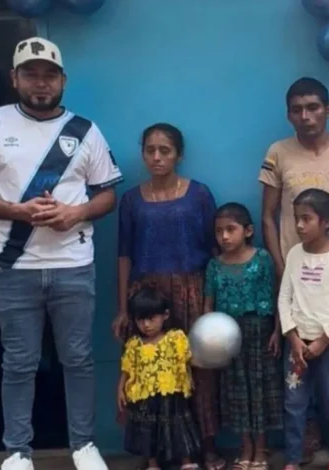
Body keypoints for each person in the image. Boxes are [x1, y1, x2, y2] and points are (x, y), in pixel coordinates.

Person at [0, 37, 121, 470]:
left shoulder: (85, 130)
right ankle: (17, 451)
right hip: (15, 267)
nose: (41, 83)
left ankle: (84, 446)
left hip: (74, 265)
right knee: (19, 363)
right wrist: (17, 210)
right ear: (15, 78)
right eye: (31, 74)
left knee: (78, 360)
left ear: (63, 80)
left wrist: (75, 213)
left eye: (49, 75)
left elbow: (107, 195)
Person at [259, 77, 329, 465]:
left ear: (328, 110)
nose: (305, 116)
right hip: (297, 278)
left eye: (312, 107)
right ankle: (305, 435)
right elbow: (268, 216)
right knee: (299, 360)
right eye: (297, 109)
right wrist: (280, 265)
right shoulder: (278, 153)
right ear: (289, 114)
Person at [111, 123, 224, 470]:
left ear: (179, 155)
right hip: (146, 298)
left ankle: (205, 448)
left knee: (197, 371)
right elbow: (124, 255)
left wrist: (213, 301)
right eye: (150, 150)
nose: (157, 157)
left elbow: (214, 249)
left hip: (192, 291)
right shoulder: (131, 200)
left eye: (165, 150)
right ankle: (156, 453)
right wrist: (123, 309)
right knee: (149, 374)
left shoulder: (199, 195)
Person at [279, 189, 329, 470]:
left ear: (326, 222)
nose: (299, 225)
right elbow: (284, 298)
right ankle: (292, 459)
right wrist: (293, 337)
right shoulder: (294, 254)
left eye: (306, 219)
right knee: (294, 404)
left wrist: (324, 340)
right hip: (297, 346)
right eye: (296, 218)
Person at [203, 203, 283, 470]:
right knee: (236, 391)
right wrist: (210, 339)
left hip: (259, 332)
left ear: (248, 231)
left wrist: (277, 331)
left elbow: (276, 295)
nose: (224, 237)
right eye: (219, 231)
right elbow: (208, 305)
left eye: (230, 229)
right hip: (228, 336)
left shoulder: (262, 259)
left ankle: (261, 447)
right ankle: (245, 446)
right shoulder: (214, 266)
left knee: (259, 389)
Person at [118, 287, 202, 470]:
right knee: (148, 431)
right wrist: (120, 390)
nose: (146, 325)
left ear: (165, 315)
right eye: (140, 320)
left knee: (178, 427)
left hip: (172, 395)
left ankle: (186, 462)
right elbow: (127, 369)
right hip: (144, 399)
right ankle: (153, 464)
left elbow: (189, 358)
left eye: (151, 318)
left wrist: (211, 358)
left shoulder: (175, 338)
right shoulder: (134, 345)